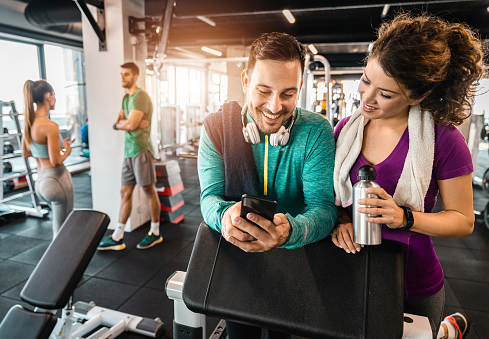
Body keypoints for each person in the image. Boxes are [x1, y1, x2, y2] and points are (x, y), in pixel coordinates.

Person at [332, 13, 485, 339]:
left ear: (416, 96)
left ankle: (447, 330)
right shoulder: (345, 130)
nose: (367, 98)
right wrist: (339, 220)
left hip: (412, 279)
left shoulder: (443, 139)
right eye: (366, 79)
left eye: (386, 94)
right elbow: (328, 196)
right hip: (351, 270)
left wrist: (404, 218)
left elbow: (463, 220)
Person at [198, 32, 336, 339]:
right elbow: (209, 199)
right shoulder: (218, 129)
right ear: (246, 81)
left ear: (300, 87)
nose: (275, 106)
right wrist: (224, 217)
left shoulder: (316, 132)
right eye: (264, 91)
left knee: (281, 334)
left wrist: (291, 230)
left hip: (293, 258)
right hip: (237, 257)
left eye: (288, 94)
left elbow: (324, 210)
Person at [97, 62, 162, 251]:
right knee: (125, 192)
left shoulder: (140, 97)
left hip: (141, 150)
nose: (122, 78)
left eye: (126, 74)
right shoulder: (126, 99)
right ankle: (118, 236)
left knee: (149, 191)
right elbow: (120, 122)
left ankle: (155, 232)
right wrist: (123, 123)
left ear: (135, 76)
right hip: (128, 153)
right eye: (121, 74)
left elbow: (130, 125)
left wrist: (126, 123)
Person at [21, 80, 74, 238]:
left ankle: (59, 261)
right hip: (56, 180)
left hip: (41, 182)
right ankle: (63, 262)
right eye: (54, 95)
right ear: (48, 96)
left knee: (58, 228)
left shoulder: (29, 123)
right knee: (63, 231)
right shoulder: (50, 125)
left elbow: (26, 153)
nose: (55, 99)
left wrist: (54, 149)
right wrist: (66, 150)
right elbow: (56, 161)